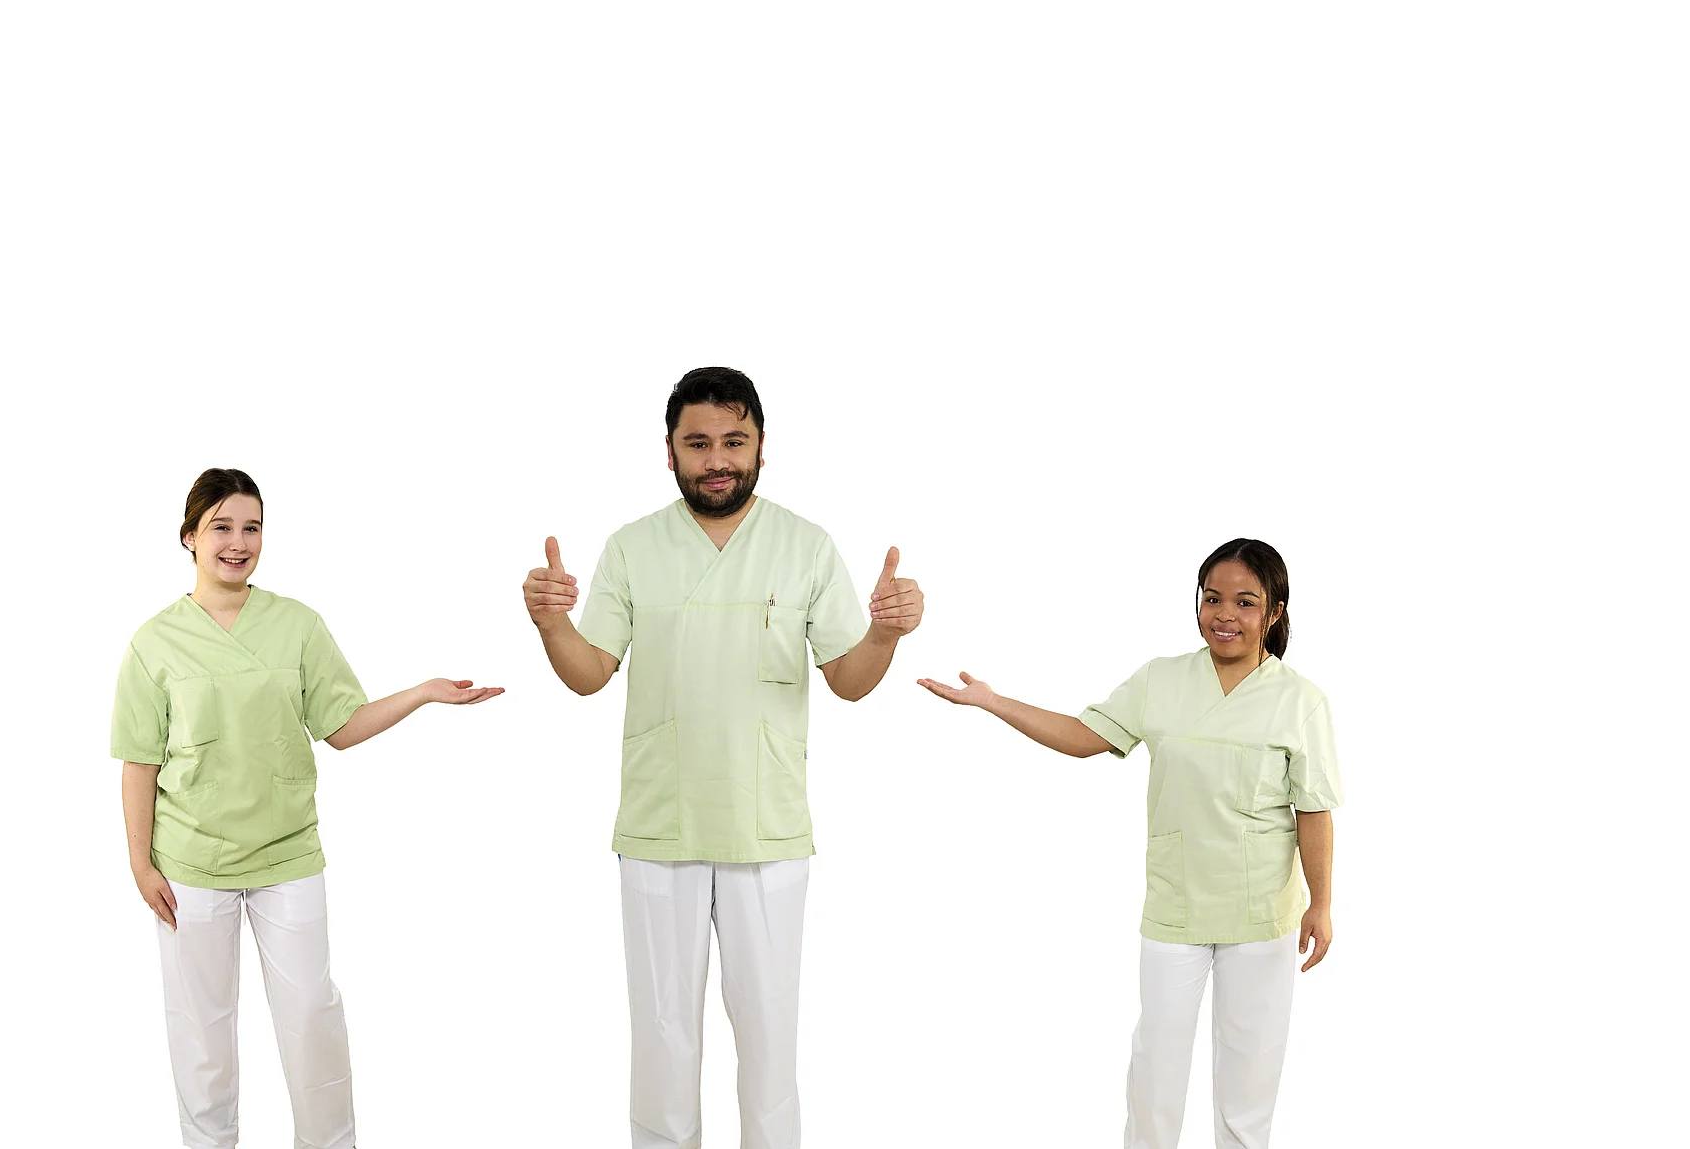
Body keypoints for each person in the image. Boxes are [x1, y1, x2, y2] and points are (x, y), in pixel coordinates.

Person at [522, 367, 924, 1149]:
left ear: (762, 447)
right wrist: (551, 624)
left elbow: (849, 680)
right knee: (662, 1038)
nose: (716, 460)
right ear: (669, 451)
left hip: (765, 828)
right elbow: (589, 672)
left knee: (770, 1042)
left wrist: (885, 634)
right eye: (697, 443)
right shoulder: (633, 547)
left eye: (734, 442)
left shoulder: (805, 546)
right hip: (660, 824)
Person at [111, 468, 504, 1149]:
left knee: (311, 1016)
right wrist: (140, 865)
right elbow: (139, 763)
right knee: (202, 1031)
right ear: (189, 537)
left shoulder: (296, 625)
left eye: (252, 528)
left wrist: (422, 693)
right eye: (221, 527)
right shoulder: (154, 642)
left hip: (287, 854)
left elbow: (341, 727)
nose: (238, 543)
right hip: (191, 864)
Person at [918, 538, 1340, 1149]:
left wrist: (1320, 903)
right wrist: (993, 702)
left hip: (1261, 914)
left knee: (1249, 1078)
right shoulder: (1161, 680)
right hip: (1175, 905)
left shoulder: (1300, 700)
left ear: (1274, 613)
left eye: (1245, 602)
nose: (1225, 615)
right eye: (1212, 598)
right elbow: (1083, 736)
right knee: (1155, 1068)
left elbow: (1314, 809)